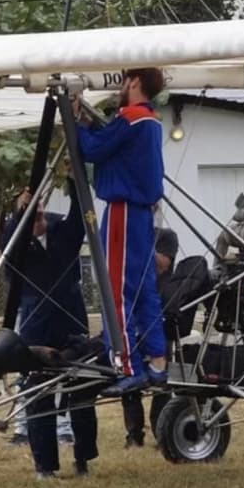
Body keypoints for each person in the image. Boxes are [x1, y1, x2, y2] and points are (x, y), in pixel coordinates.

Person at [73, 67, 168, 397]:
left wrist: (75, 123)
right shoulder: (152, 121)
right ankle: (158, 360)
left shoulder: (130, 118)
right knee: (143, 288)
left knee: (116, 290)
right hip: (141, 214)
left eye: (126, 81)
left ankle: (128, 365)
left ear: (135, 82)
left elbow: (94, 149)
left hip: (123, 210)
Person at [0, 181, 98, 478]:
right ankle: (45, 466)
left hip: (71, 323)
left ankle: (83, 459)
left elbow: (80, 219)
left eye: (41, 214)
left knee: (81, 392)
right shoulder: (18, 245)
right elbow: (9, 245)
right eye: (33, 217)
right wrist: (20, 213)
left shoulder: (60, 233)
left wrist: (73, 181)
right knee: (37, 394)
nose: (40, 219)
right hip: (36, 327)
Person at [121, 226, 180, 447]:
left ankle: (161, 431)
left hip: (159, 318)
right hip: (134, 317)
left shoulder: (166, 235)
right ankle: (134, 433)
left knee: (161, 381)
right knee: (130, 378)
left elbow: (163, 263)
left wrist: (139, 252)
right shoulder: (133, 232)